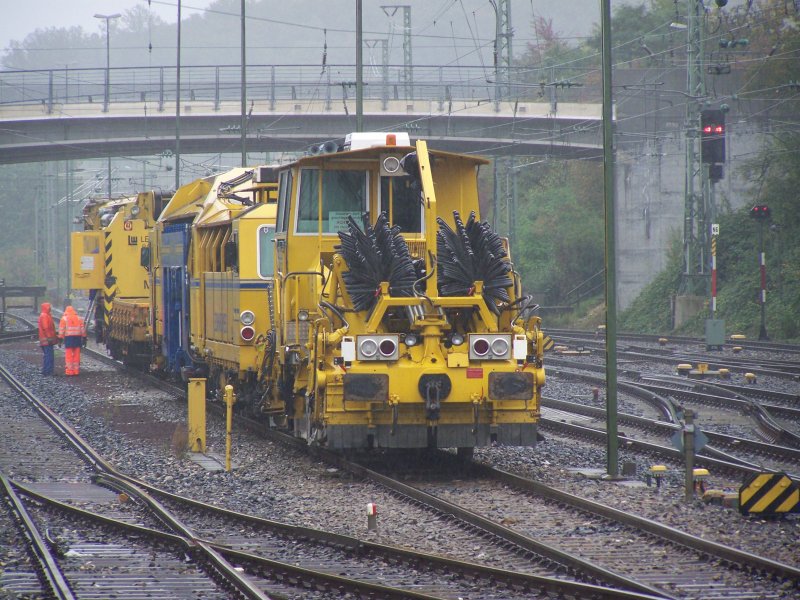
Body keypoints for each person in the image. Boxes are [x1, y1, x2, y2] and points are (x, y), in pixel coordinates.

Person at [58, 305, 87, 376]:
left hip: (69, 338)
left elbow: (61, 330)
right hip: (77, 338)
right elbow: (82, 329)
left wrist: (60, 339)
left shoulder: (64, 319)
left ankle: (69, 371)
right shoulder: (79, 318)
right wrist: (84, 337)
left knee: (69, 355)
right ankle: (76, 370)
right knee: (77, 355)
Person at [37, 302, 58, 376]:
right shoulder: (45, 316)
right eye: (49, 307)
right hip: (47, 340)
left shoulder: (45, 315)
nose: (50, 308)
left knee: (47, 355)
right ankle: (48, 372)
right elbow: (46, 328)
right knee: (49, 356)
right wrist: (49, 337)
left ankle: (46, 371)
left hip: (45, 340)